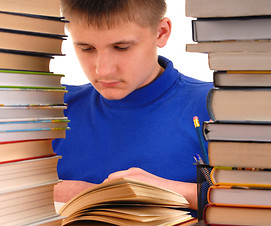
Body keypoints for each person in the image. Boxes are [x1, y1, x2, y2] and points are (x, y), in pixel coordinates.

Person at [52, 0, 212, 212]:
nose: (103, 70)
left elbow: (259, 200)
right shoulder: (53, 107)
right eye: (87, 48)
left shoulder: (217, 106)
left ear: (161, 33)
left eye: (121, 47)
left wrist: (164, 190)